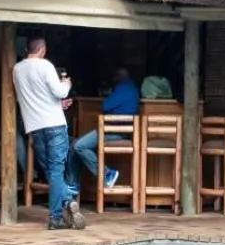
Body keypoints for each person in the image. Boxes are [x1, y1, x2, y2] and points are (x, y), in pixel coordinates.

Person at [13, 36, 83, 230]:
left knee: (50, 171)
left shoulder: (17, 69)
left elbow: (34, 96)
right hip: (55, 124)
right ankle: (55, 217)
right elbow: (60, 92)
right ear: (42, 50)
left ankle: (67, 201)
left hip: (35, 127)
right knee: (56, 171)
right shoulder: (45, 65)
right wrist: (66, 83)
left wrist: (57, 104)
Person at [71, 66, 138, 189]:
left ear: (119, 77)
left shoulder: (122, 87)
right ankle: (73, 185)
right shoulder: (133, 88)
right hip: (122, 130)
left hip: (113, 130)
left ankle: (106, 173)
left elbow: (105, 106)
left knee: (78, 146)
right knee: (75, 144)